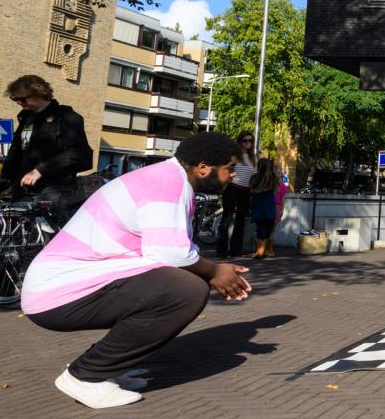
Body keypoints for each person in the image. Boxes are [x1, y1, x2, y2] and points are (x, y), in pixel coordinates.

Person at [21, 132, 251, 409]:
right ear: (203, 168)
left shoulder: (168, 178)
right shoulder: (168, 184)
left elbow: (168, 252)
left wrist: (212, 271)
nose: (233, 176)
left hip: (61, 286)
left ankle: (108, 367)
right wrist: (214, 272)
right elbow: (171, 254)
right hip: (55, 292)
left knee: (173, 285)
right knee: (186, 291)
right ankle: (86, 375)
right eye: (229, 169)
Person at [1, 75, 92, 223]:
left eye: (22, 99)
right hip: (22, 189)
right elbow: (17, 151)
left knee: (48, 231)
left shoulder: (67, 117)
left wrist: (40, 170)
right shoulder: (26, 119)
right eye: (15, 99)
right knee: (17, 231)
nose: (18, 103)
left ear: (38, 94)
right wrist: (5, 179)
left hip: (54, 189)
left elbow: (76, 152)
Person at [216, 130, 256, 259]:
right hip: (232, 188)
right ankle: (222, 250)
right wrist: (230, 173)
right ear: (240, 141)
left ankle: (236, 250)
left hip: (246, 191)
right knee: (227, 218)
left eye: (250, 140)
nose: (248, 143)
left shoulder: (253, 158)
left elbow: (254, 175)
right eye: (245, 140)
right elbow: (223, 168)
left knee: (240, 221)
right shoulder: (234, 155)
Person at [248, 158, 279, 259]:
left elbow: (251, 190)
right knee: (268, 227)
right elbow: (278, 191)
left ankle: (259, 251)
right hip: (268, 205)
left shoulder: (254, 178)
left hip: (257, 204)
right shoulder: (273, 178)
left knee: (259, 227)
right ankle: (266, 250)